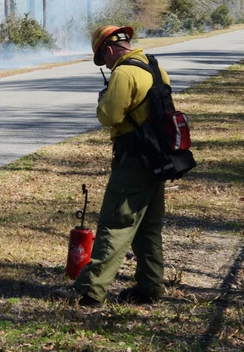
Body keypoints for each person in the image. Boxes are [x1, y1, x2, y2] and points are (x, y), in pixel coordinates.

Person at [57, 25, 169, 307]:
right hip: (159, 157)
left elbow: (109, 115)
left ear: (108, 49)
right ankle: (149, 286)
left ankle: (89, 290)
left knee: (115, 225)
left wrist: (102, 101)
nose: (105, 64)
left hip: (133, 159)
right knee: (147, 227)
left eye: (102, 58)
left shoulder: (123, 72)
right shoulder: (153, 65)